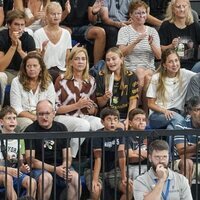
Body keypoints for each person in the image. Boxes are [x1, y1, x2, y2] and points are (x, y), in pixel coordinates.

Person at [25, 99, 81, 200]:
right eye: (40, 114)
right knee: (46, 179)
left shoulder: (61, 128)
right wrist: (55, 170)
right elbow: (31, 160)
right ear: (36, 115)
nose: (44, 117)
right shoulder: (30, 130)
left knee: (75, 178)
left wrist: (64, 167)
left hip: (60, 166)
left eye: (47, 113)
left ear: (54, 114)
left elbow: (67, 155)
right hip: (40, 168)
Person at [54, 47, 103, 157]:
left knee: (100, 124)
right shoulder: (61, 79)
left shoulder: (91, 80)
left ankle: (97, 159)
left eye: (83, 59)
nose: (80, 62)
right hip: (63, 117)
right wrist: (77, 105)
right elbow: (56, 109)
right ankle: (71, 158)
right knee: (83, 125)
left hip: (83, 116)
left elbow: (94, 107)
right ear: (71, 62)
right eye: (77, 59)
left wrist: (92, 109)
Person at [117, 0, 161, 111]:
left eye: (143, 13)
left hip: (149, 68)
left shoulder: (152, 31)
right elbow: (121, 53)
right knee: (143, 75)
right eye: (137, 13)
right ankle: (139, 113)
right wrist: (135, 42)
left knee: (146, 76)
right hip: (129, 67)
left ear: (147, 14)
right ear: (131, 15)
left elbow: (159, 56)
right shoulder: (124, 30)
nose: (141, 16)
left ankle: (139, 113)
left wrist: (151, 44)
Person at [85, 107, 133, 200]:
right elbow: (98, 158)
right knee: (95, 190)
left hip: (113, 170)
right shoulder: (97, 135)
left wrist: (124, 177)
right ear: (102, 122)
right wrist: (95, 180)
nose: (112, 122)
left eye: (115, 119)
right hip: (94, 170)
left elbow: (121, 156)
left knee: (129, 189)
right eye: (109, 119)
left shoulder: (120, 133)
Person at [146, 48, 195, 129]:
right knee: (178, 119)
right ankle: (188, 141)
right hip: (158, 115)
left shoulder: (185, 74)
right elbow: (150, 104)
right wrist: (165, 111)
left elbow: (198, 77)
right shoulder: (156, 78)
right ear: (164, 64)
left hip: (178, 113)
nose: (174, 64)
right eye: (170, 62)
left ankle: (177, 142)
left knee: (171, 128)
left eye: (176, 60)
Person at [10, 51, 56, 132]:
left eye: (35, 66)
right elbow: (16, 109)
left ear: (41, 67)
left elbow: (51, 106)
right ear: (25, 68)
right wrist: (36, 118)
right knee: (29, 124)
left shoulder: (48, 82)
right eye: (28, 66)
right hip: (23, 117)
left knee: (54, 125)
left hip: (44, 115)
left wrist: (42, 117)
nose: (31, 69)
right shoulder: (16, 82)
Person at [96, 47, 138, 130]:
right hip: (107, 116)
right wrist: (105, 97)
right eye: (108, 60)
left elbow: (133, 101)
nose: (111, 62)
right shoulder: (101, 75)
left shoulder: (131, 76)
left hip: (124, 114)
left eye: (114, 59)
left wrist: (128, 119)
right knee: (119, 127)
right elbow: (100, 103)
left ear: (121, 60)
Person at [0, 9, 35, 106]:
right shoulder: (2, 37)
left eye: (22, 25)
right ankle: (1, 107)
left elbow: (36, 64)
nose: (20, 28)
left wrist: (20, 50)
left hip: (23, 72)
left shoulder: (28, 38)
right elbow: (0, 68)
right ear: (9, 25)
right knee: (0, 77)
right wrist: (13, 46)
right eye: (16, 24)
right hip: (7, 72)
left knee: (38, 74)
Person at [0, 106, 36, 200]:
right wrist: (8, 170)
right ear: (1, 122)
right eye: (8, 118)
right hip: (2, 173)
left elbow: (20, 163)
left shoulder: (19, 139)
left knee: (32, 182)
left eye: (14, 118)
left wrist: (22, 168)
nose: (12, 121)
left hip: (13, 172)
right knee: (8, 178)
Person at [57, 0, 106, 65]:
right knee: (65, 33)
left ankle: (96, 68)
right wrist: (66, 12)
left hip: (83, 27)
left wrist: (94, 13)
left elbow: (93, 21)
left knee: (100, 32)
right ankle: (65, 67)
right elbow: (56, 20)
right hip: (66, 26)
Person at [158, 0, 200, 70]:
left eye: (184, 6)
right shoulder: (166, 26)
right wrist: (171, 46)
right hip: (173, 67)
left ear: (188, 8)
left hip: (193, 66)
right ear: (173, 9)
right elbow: (160, 49)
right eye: (178, 7)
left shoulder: (195, 26)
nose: (182, 9)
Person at [173, 96, 200, 185]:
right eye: (197, 110)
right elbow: (182, 154)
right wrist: (198, 146)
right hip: (181, 162)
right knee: (187, 163)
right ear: (190, 112)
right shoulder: (181, 125)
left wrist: (190, 148)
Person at [128, 108, 148, 180]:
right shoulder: (126, 136)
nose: (141, 122)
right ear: (130, 123)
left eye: (143, 120)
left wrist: (135, 151)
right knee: (137, 173)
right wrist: (146, 155)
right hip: (131, 167)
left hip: (147, 166)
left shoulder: (149, 135)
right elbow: (130, 157)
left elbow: (153, 154)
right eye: (138, 119)